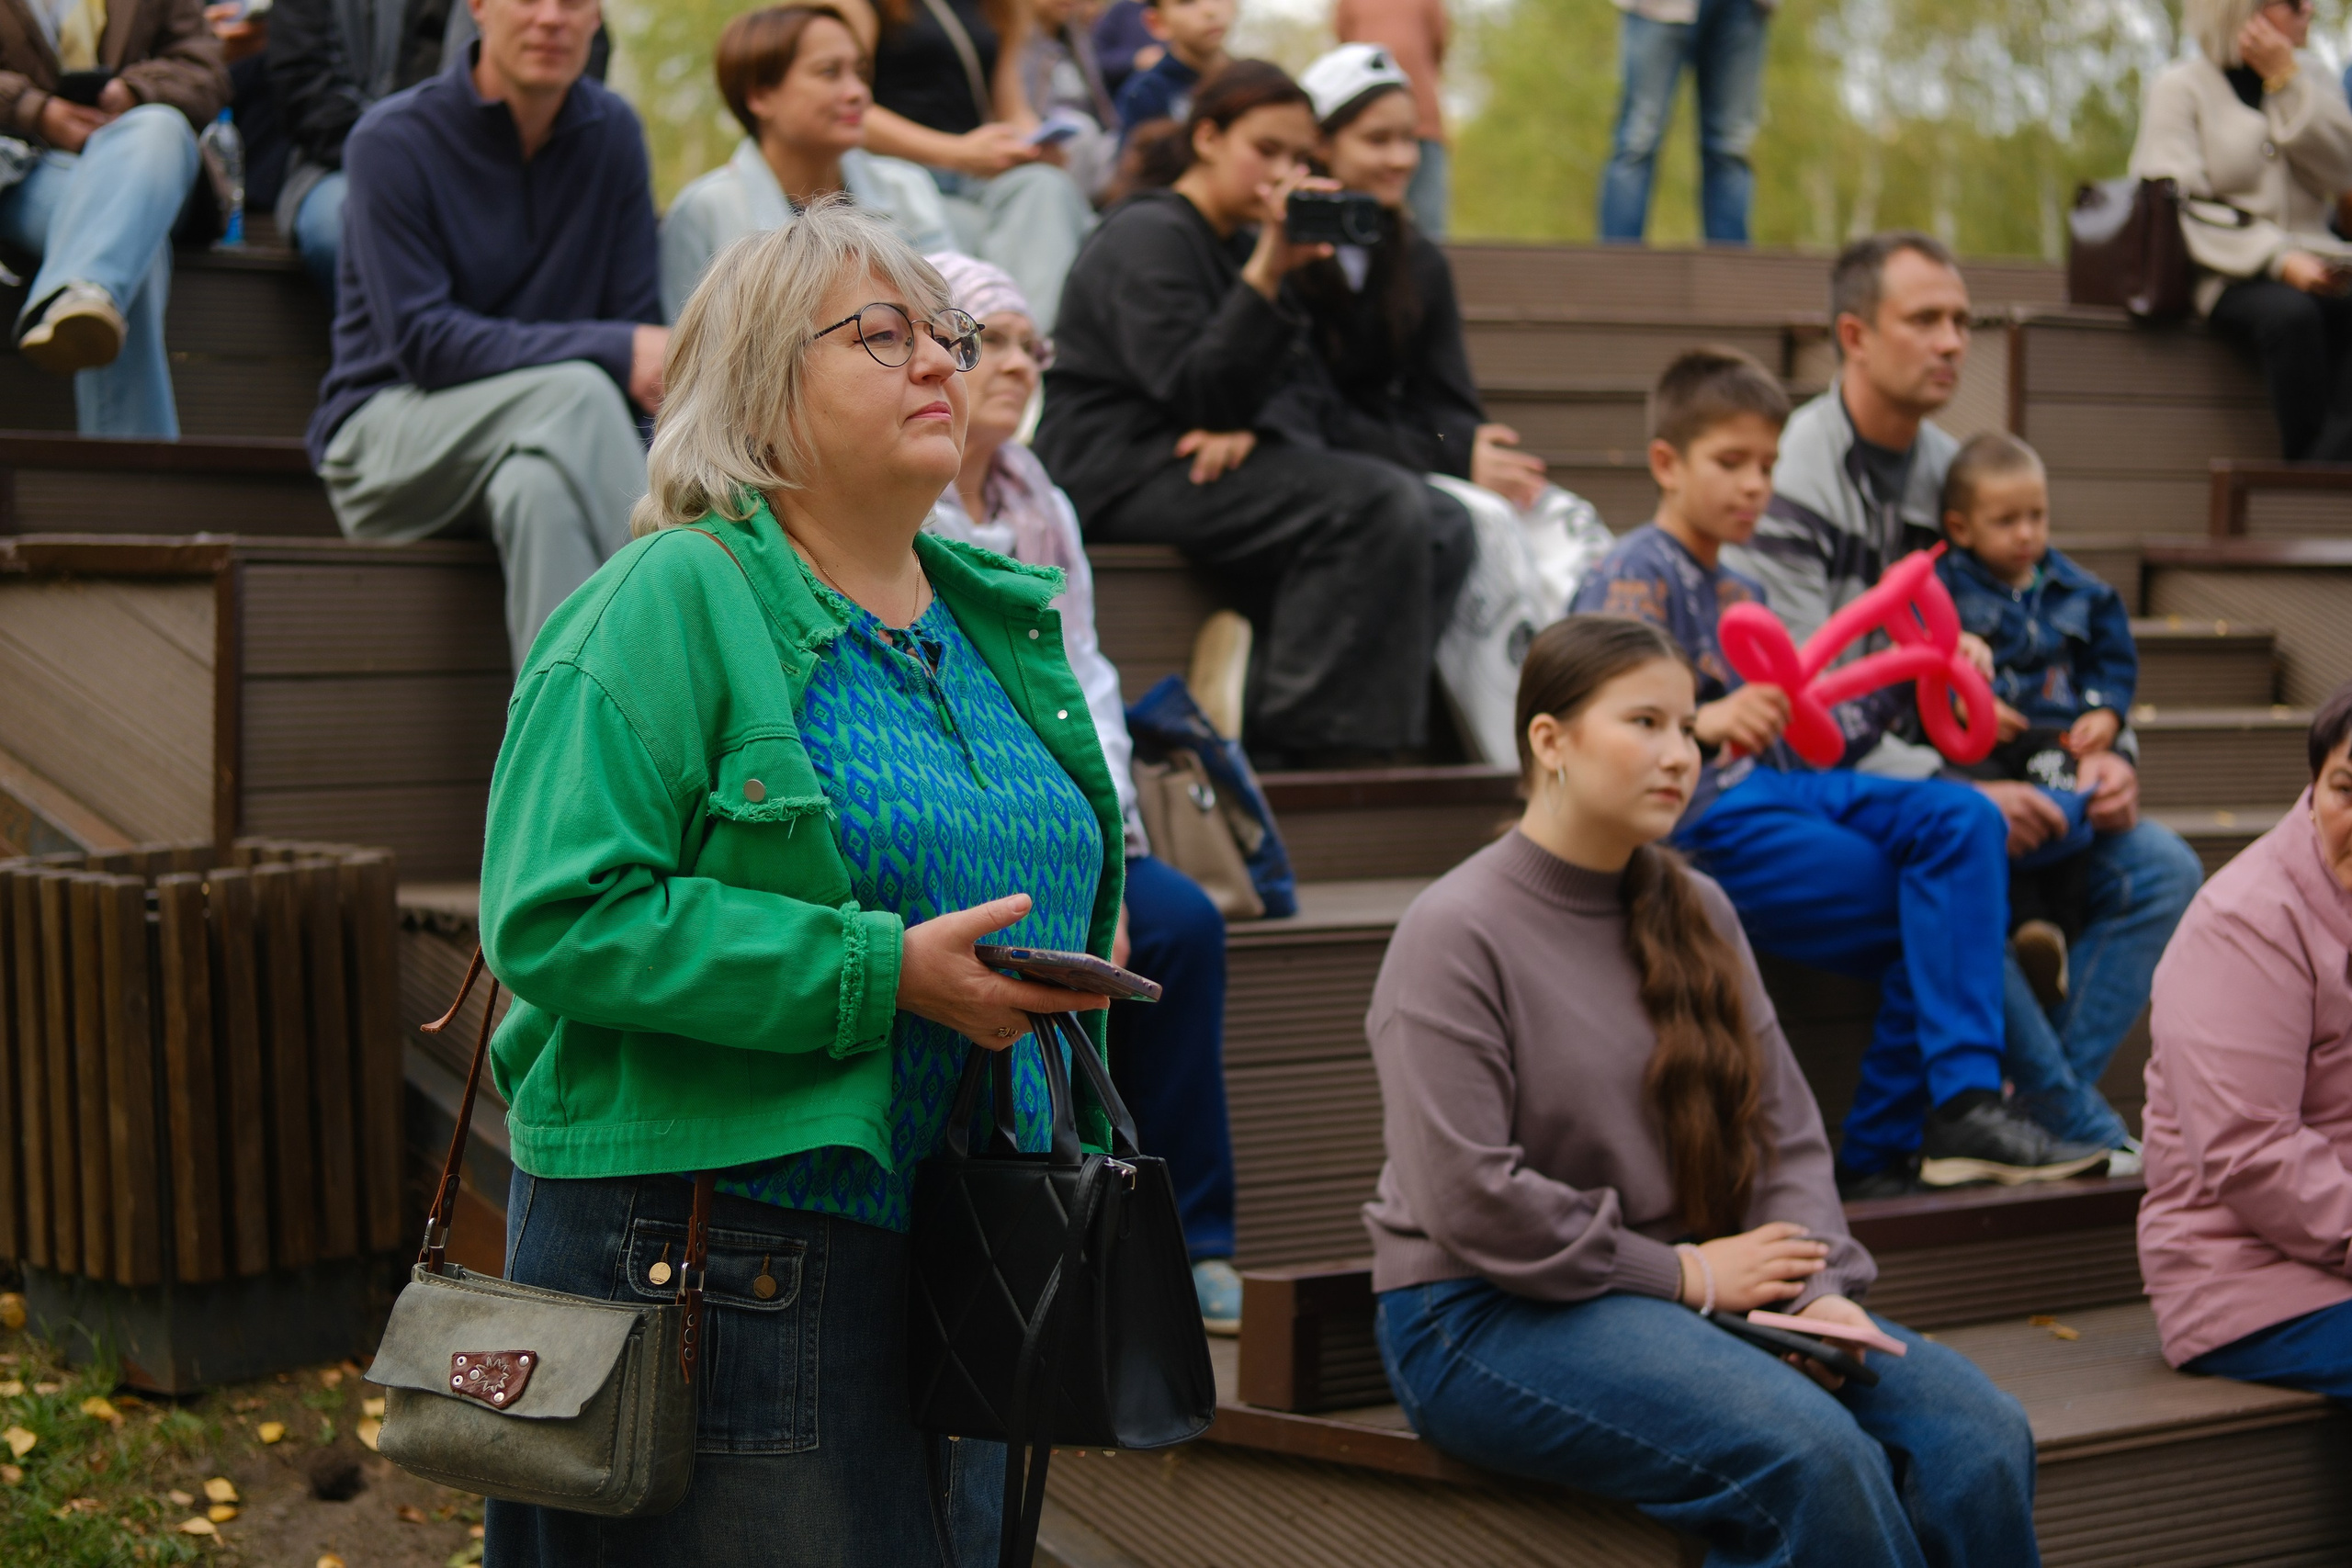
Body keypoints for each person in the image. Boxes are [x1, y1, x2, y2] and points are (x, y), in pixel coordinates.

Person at [478, 198, 1125, 1563]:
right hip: (722, 1256)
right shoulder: (665, 596)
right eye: (883, 335)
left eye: (948, 333)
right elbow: (555, 913)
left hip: (962, 1246)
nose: (945, 360)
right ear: (762, 386)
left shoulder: (988, 608)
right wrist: (882, 974)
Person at [1367, 614, 2041, 1567]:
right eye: (1644, 723)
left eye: (1688, 728)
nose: (1679, 753)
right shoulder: (1453, 930)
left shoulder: (1700, 909)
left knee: (1978, 1437)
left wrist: (1818, 1293)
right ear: (1548, 741)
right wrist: (1682, 1275)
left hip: (1686, 1293)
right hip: (1480, 1312)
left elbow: (1787, 1139)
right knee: (1811, 1456)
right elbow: (1469, 1195)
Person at [1573, 346, 2112, 1193]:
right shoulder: (1635, 570)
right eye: (1731, 463)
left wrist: (1921, 668)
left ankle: (1960, 1108)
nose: (1755, 485)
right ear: (1665, 464)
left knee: (1962, 818)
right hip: (1703, 819)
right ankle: (1891, 1144)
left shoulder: (1740, 585)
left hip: (1778, 788)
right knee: (1926, 914)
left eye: (1768, 466)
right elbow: (1588, 719)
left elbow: (1810, 736)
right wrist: (1700, 722)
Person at [1729, 233, 2203, 1186]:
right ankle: (2068, 1120)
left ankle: (2029, 1108)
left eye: (1962, 322)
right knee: (1959, 852)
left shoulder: (1961, 473)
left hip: (1984, 770)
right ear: (1854, 336)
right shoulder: (1792, 475)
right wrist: (1957, 787)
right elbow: (1799, 703)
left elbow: (2058, 624)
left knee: (2157, 864)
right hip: (1848, 786)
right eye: (1926, 320)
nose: (1954, 342)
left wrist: (2108, 748)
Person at [922, 248, 1243, 1330]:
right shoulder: (904, 496)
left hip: (1067, 817)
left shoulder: (1035, 495)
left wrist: (1108, 852)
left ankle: (1191, 1234)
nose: (1017, 363)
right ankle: (1048, 1237)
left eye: (1029, 345)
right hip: (964, 821)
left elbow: (1086, 675)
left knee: (1181, 928)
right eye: (989, 341)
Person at [1035, 62, 1471, 769]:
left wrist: (1254, 428)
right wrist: (1268, 272)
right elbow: (1195, 384)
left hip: (1211, 459)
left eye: (1299, 157)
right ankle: (1298, 742)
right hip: (1124, 468)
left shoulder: (1244, 241)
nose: (1284, 172)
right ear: (1207, 137)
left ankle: (1374, 730)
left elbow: (1299, 390)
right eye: (1265, 150)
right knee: (1372, 504)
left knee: (1446, 523)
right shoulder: (1145, 236)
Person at [309, 0, 662, 669]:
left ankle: (557, 760)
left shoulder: (613, 133)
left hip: (540, 443)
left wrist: (623, 351)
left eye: (573, 2)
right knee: (582, 392)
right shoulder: (392, 140)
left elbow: (633, 317)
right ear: (478, 7)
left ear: (598, 16)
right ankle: (691, 651)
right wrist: (612, 350)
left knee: (540, 493)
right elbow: (425, 344)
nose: (551, 19)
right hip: (385, 443)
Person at [1935, 433, 2183, 1168]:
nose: (2027, 535)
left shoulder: (2078, 590)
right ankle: (2065, 1097)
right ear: (1959, 528)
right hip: (1973, 758)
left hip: (2055, 750)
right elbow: (1913, 677)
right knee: (1985, 839)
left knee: (2100, 834)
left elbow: (2111, 663)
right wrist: (1962, 680)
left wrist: (2110, 723)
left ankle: (2045, 1085)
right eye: (2008, 520)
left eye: (2038, 516)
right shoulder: (1944, 593)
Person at [2140, 682, 2352, 1390]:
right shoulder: (2246, 924)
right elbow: (2251, 1152)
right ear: (2314, 786)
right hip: (2252, 1279)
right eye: (2346, 788)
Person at [2132, 0, 2352, 462]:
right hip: (2227, 271)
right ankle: (2312, 485)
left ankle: (2324, 470)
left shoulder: (2313, 78)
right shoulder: (2181, 87)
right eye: (2291, 2)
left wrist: (2289, 84)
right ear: (2241, 11)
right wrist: (2278, 259)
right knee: (2292, 317)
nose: (2308, 10)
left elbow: (2345, 171)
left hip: (2324, 262)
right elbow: (2181, 203)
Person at [0, 0, 226, 437]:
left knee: (160, 125)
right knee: (132, 235)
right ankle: (90, 292)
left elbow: (205, 68)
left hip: (141, 159)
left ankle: (82, 292)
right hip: (22, 170)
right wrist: (34, 109)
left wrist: (131, 94)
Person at [660, 5, 953, 323]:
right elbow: (694, 355)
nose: (858, 93)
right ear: (760, 95)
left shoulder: (907, 188)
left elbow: (948, 316)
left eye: (860, 72)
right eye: (829, 72)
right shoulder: (705, 211)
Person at [850, 0, 1095, 331]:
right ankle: (983, 352)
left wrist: (1032, 144)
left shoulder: (1000, 6)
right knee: (967, 230)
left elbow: (1010, 106)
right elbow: (846, 106)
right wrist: (955, 153)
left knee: (1047, 187)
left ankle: (1033, 346)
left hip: (979, 172)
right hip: (899, 176)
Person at [266, 0, 449, 297]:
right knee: (338, 229)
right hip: (333, 165)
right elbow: (303, 88)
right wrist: (384, 156)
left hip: (442, 167)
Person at [1599, 0, 1773, 245]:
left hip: (1742, 8)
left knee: (1731, 149)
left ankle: (1731, 277)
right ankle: (1615, 273)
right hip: (1657, 8)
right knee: (1636, 142)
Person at [1331, 0, 1448, 236]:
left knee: (1427, 223)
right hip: (1361, 122)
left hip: (1423, 123)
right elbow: (1346, 49)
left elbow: (1437, 44)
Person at [1019, 0, 1119, 201]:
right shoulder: (1019, 42)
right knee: (1081, 131)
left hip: (1094, 142)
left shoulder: (1076, 40)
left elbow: (1101, 104)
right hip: (1046, 137)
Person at [1112, 0, 1228, 136]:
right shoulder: (1145, 94)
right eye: (1187, 2)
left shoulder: (1251, 81)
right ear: (1157, 22)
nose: (1209, 11)